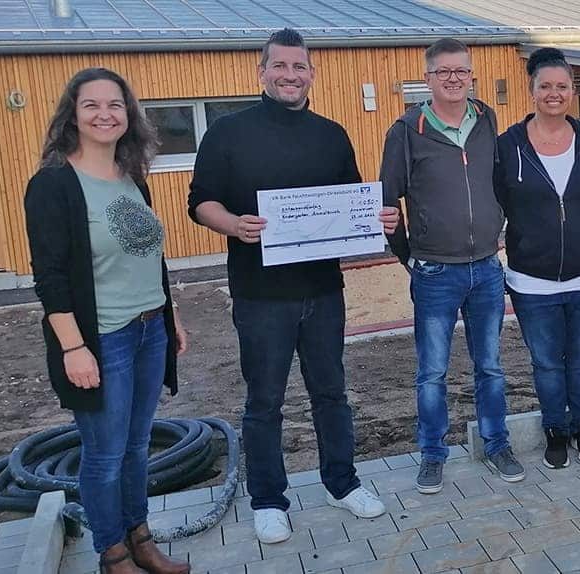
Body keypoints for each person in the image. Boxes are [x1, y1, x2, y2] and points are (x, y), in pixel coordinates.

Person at [188, 28, 387, 545]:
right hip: (259, 295)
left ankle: (342, 483)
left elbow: (351, 201)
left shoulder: (331, 133)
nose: (289, 76)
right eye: (280, 66)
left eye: (299, 67)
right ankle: (269, 500)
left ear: (311, 74)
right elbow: (200, 201)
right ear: (262, 71)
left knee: (331, 393)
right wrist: (232, 224)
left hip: (323, 290)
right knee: (264, 402)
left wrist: (376, 218)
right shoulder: (228, 133)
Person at [24, 67, 190, 574]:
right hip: (103, 340)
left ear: (129, 114)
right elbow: (49, 277)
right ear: (72, 115)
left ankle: (140, 536)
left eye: (115, 104)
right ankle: (112, 552)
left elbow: (149, 256)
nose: (105, 113)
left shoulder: (131, 177)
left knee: (138, 446)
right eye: (92, 104)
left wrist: (171, 314)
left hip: (148, 330)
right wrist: (74, 348)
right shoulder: (53, 185)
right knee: (104, 453)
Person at [380, 38, 525, 493]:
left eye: (461, 71)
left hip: (485, 266)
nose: (453, 79)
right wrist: (411, 255)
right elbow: (388, 203)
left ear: (471, 75)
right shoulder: (406, 129)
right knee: (432, 372)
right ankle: (432, 453)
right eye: (443, 71)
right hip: (435, 272)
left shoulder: (486, 118)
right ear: (428, 78)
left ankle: (495, 443)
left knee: (491, 367)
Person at [494, 47, 580, 470]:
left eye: (562, 86)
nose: (554, 93)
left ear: (573, 91)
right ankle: (554, 429)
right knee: (545, 361)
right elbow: (497, 200)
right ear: (532, 90)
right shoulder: (509, 145)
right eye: (546, 86)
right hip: (531, 280)